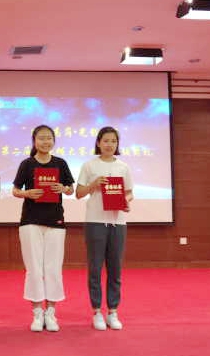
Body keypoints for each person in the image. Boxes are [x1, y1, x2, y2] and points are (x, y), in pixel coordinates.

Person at [12, 125, 75, 332]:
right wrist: (27, 193)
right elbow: (15, 190)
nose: (45, 142)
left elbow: (70, 189)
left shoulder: (60, 163)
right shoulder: (27, 164)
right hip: (30, 221)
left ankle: (51, 313)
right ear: (34, 141)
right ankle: (37, 312)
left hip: (55, 221)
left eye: (49, 138)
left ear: (54, 141)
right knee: (34, 268)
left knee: (53, 268)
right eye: (41, 138)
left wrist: (63, 188)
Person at [75, 126, 133, 331]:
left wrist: (126, 202)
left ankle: (113, 311)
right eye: (106, 140)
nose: (110, 144)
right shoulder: (89, 165)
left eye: (113, 141)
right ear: (98, 142)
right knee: (95, 268)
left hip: (118, 223)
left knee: (115, 269)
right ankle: (97, 311)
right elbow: (79, 193)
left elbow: (129, 192)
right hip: (95, 222)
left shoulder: (123, 167)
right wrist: (93, 185)